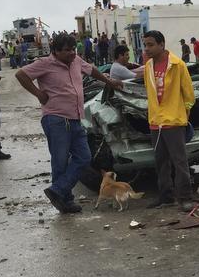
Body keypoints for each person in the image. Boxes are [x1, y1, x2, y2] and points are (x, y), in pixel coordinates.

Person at [15, 34, 124, 214]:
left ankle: (58, 190)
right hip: (56, 118)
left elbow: (92, 70)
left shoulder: (76, 60)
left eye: (73, 49)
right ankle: (65, 201)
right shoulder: (45, 63)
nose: (71, 53)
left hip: (75, 117)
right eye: (66, 50)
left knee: (84, 157)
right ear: (55, 51)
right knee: (60, 161)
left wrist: (109, 81)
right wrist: (38, 93)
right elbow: (21, 75)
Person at [130, 30, 199, 211]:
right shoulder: (147, 67)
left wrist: (183, 115)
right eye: (145, 45)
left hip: (174, 121)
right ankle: (166, 197)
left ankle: (185, 197)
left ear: (162, 44)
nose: (147, 49)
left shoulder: (177, 65)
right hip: (155, 122)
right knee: (161, 162)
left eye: (151, 44)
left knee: (180, 162)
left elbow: (189, 95)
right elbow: (149, 92)